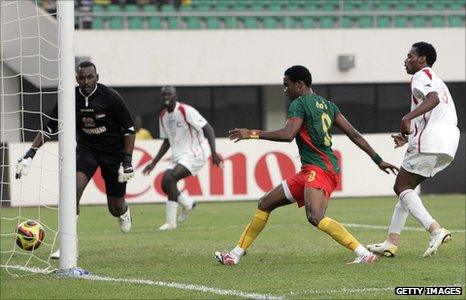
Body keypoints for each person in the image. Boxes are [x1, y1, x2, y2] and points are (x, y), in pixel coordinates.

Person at [214, 65, 399, 266]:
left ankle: (364, 254)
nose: (285, 90)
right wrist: (378, 160)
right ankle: (234, 255)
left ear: (300, 85)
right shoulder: (329, 105)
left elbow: (287, 135)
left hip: (320, 170)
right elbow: (353, 133)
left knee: (315, 216)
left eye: (287, 85)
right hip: (311, 171)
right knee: (264, 203)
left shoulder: (299, 103)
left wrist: (251, 133)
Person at [15, 61, 136, 258]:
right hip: (86, 150)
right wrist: (31, 153)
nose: (86, 81)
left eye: (90, 77)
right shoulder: (68, 98)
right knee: (72, 190)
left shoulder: (111, 97)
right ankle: (68, 245)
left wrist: (127, 160)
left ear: (97, 78)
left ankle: (123, 211)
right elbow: (50, 128)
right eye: (81, 78)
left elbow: (130, 129)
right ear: (76, 78)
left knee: (115, 207)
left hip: (113, 153)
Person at [366, 42, 459, 258]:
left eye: (410, 56)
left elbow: (432, 100)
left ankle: (435, 229)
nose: (405, 60)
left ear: (422, 59)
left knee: (401, 187)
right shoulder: (436, 80)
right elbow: (433, 110)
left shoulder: (420, 76)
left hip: (431, 140)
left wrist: (406, 118)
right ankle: (391, 242)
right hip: (447, 142)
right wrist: (407, 136)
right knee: (406, 192)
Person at [142, 86, 223, 230]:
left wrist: (214, 153)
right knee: (165, 184)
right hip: (178, 156)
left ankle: (171, 223)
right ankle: (188, 204)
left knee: (170, 179)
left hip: (195, 153)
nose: (166, 96)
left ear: (175, 96)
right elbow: (167, 141)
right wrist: (154, 162)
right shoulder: (163, 116)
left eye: (169, 94)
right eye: (164, 94)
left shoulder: (186, 111)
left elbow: (208, 128)